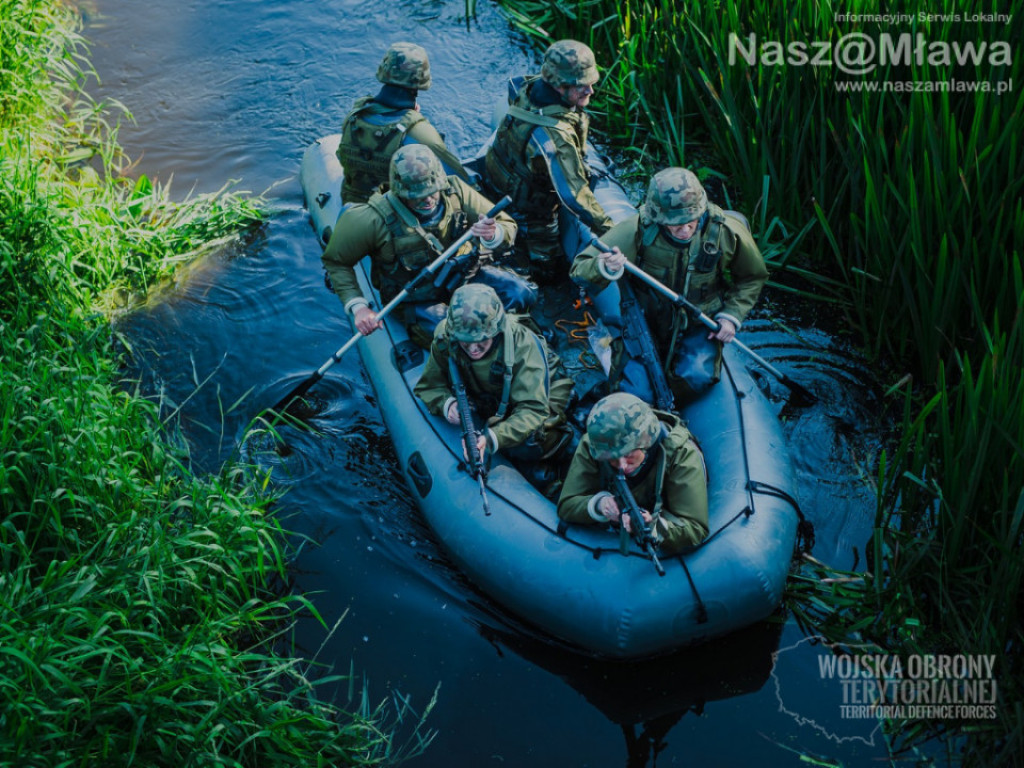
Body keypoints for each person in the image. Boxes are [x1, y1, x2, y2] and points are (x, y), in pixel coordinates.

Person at [570, 167, 768, 401]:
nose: (684, 230)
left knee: (694, 379)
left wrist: (732, 315)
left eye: (691, 221)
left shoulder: (725, 232)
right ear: (658, 216)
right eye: (675, 223)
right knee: (635, 391)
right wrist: (605, 266)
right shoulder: (638, 230)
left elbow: (752, 276)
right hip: (647, 321)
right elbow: (579, 269)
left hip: (699, 323)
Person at [322, 144, 536, 348]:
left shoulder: (455, 191)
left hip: (462, 276)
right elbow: (336, 262)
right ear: (400, 191)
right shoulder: (372, 219)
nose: (428, 200)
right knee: (461, 339)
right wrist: (358, 307)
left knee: (519, 292)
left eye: (433, 191)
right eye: (417, 196)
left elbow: (506, 224)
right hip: (417, 299)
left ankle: (511, 339)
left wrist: (493, 234)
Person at [414, 283, 575, 491]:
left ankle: (561, 452)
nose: (473, 348)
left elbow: (533, 410)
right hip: (495, 394)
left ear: (496, 330)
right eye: (466, 341)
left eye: (481, 340)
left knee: (529, 441)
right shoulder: (447, 338)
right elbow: (429, 386)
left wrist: (493, 438)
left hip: (543, 388)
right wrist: (448, 405)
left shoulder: (522, 345)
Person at [483, 39, 614, 278]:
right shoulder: (555, 138)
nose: (590, 91)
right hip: (529, 208)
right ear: (560, 87)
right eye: (582, 86)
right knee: (550, 268)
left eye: (591, 83)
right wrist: (611, 230)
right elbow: (575, 196)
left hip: (501, 176)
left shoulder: (530, 85)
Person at [557, 392, 708, 554]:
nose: (622, 465)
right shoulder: (597, 446)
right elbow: (567, 505)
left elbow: (695, 529)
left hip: (662, 513)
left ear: (647, 441)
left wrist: (653, 526)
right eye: (612, 458)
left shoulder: (680, 455)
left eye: (628, 454)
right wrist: (600, 504)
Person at [337, 42, 471, 204]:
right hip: (390, 211)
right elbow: (460, 181)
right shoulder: (419, 132)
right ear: (421, 79)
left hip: (351, 201)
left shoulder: (355, 115)